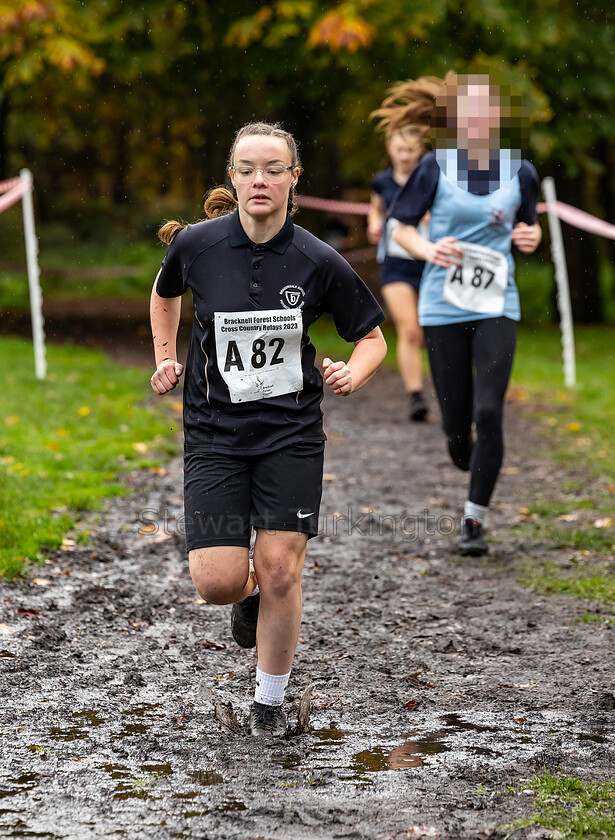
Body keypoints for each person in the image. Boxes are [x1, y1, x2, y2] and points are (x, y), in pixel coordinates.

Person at [149, 121, 387, 737]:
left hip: (291, 434)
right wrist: (164, 355)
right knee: (218, 583)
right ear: (232, 175)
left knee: (281, 568)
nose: (260, 180)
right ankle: (248, 597)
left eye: (273, 169)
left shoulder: (317, 258)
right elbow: (164, 295)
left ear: (293, 179)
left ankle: (269, 703)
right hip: (214, 433)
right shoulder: (197, 246)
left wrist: (353, 375)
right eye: (248, 169)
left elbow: (372, 338)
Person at [388, 72, 542, 556]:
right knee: (458, 426)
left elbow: (528, 229)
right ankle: (465, 453)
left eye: (485, 111)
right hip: (442, 306)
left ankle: (474, 520)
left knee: (490, 410)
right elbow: (400, 229)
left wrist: (529, 238)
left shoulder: (522, 173)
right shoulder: (434, 167)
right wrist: (429, 250)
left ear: (497, 118)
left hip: (498, 303)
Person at [367, 123, 428, 421]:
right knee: (409, 328)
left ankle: (450, 387)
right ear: (391, 149)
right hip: (396, 262)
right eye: (400, 150)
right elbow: (376, 209)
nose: (405, 156)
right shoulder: (381, 182)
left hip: (431, 261)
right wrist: (374, 224)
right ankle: (416, 396)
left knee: (432, 332)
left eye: (411, 150)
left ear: (421, 151)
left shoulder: (432, 179)